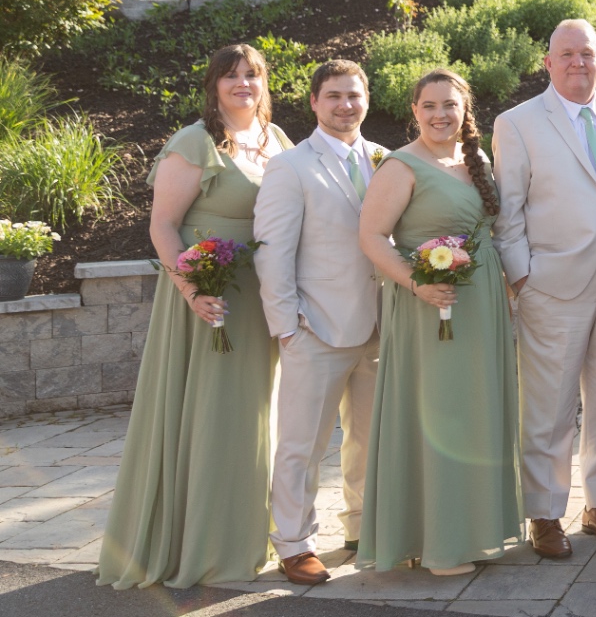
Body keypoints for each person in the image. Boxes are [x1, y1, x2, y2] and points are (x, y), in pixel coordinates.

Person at [100, 44, 293, 589]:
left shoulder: (277, 139)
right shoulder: (194, 142)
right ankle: (204, 543)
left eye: (251, 74)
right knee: (214, 412)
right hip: (209, 295)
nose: (242, 84)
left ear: (264, 81)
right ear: (213, 85)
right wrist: (190, 291)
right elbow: (163, 226)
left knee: (256, 414)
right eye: (230, 76)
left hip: (259, 293)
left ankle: (248, 531)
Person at [493, 20, 596, 558]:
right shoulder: (516, 123)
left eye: (587, 54)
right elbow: (508, 210)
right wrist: (523, 278)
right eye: (565, 54)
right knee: (550, 406)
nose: (576, 63)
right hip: (551, 285)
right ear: (548, 62)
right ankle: (544, 511)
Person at [357, 69, 521, 575]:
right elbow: (371, 237)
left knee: (476, 409)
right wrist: (417, 284)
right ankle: (437, 542)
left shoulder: (476, 162)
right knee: (441, 410)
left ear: (465, 110)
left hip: (481, 303)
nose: (439, 115)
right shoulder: (401, 166)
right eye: (429, 106)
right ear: (414, 111)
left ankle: (475, 531)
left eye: (449, 105)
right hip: (431, 306)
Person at [252, 60, 385, 585]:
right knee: (301, 445)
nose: (344, 105)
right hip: (316, 327)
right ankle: (294, 542)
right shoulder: (290, 167)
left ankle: (361, 526)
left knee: (370, 437)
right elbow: (272, 252)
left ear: (367, 98)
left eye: (353, 95)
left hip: (379, 327)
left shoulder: (385, 159)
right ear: (313, 102)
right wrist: (287, 324)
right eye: (333, 96)